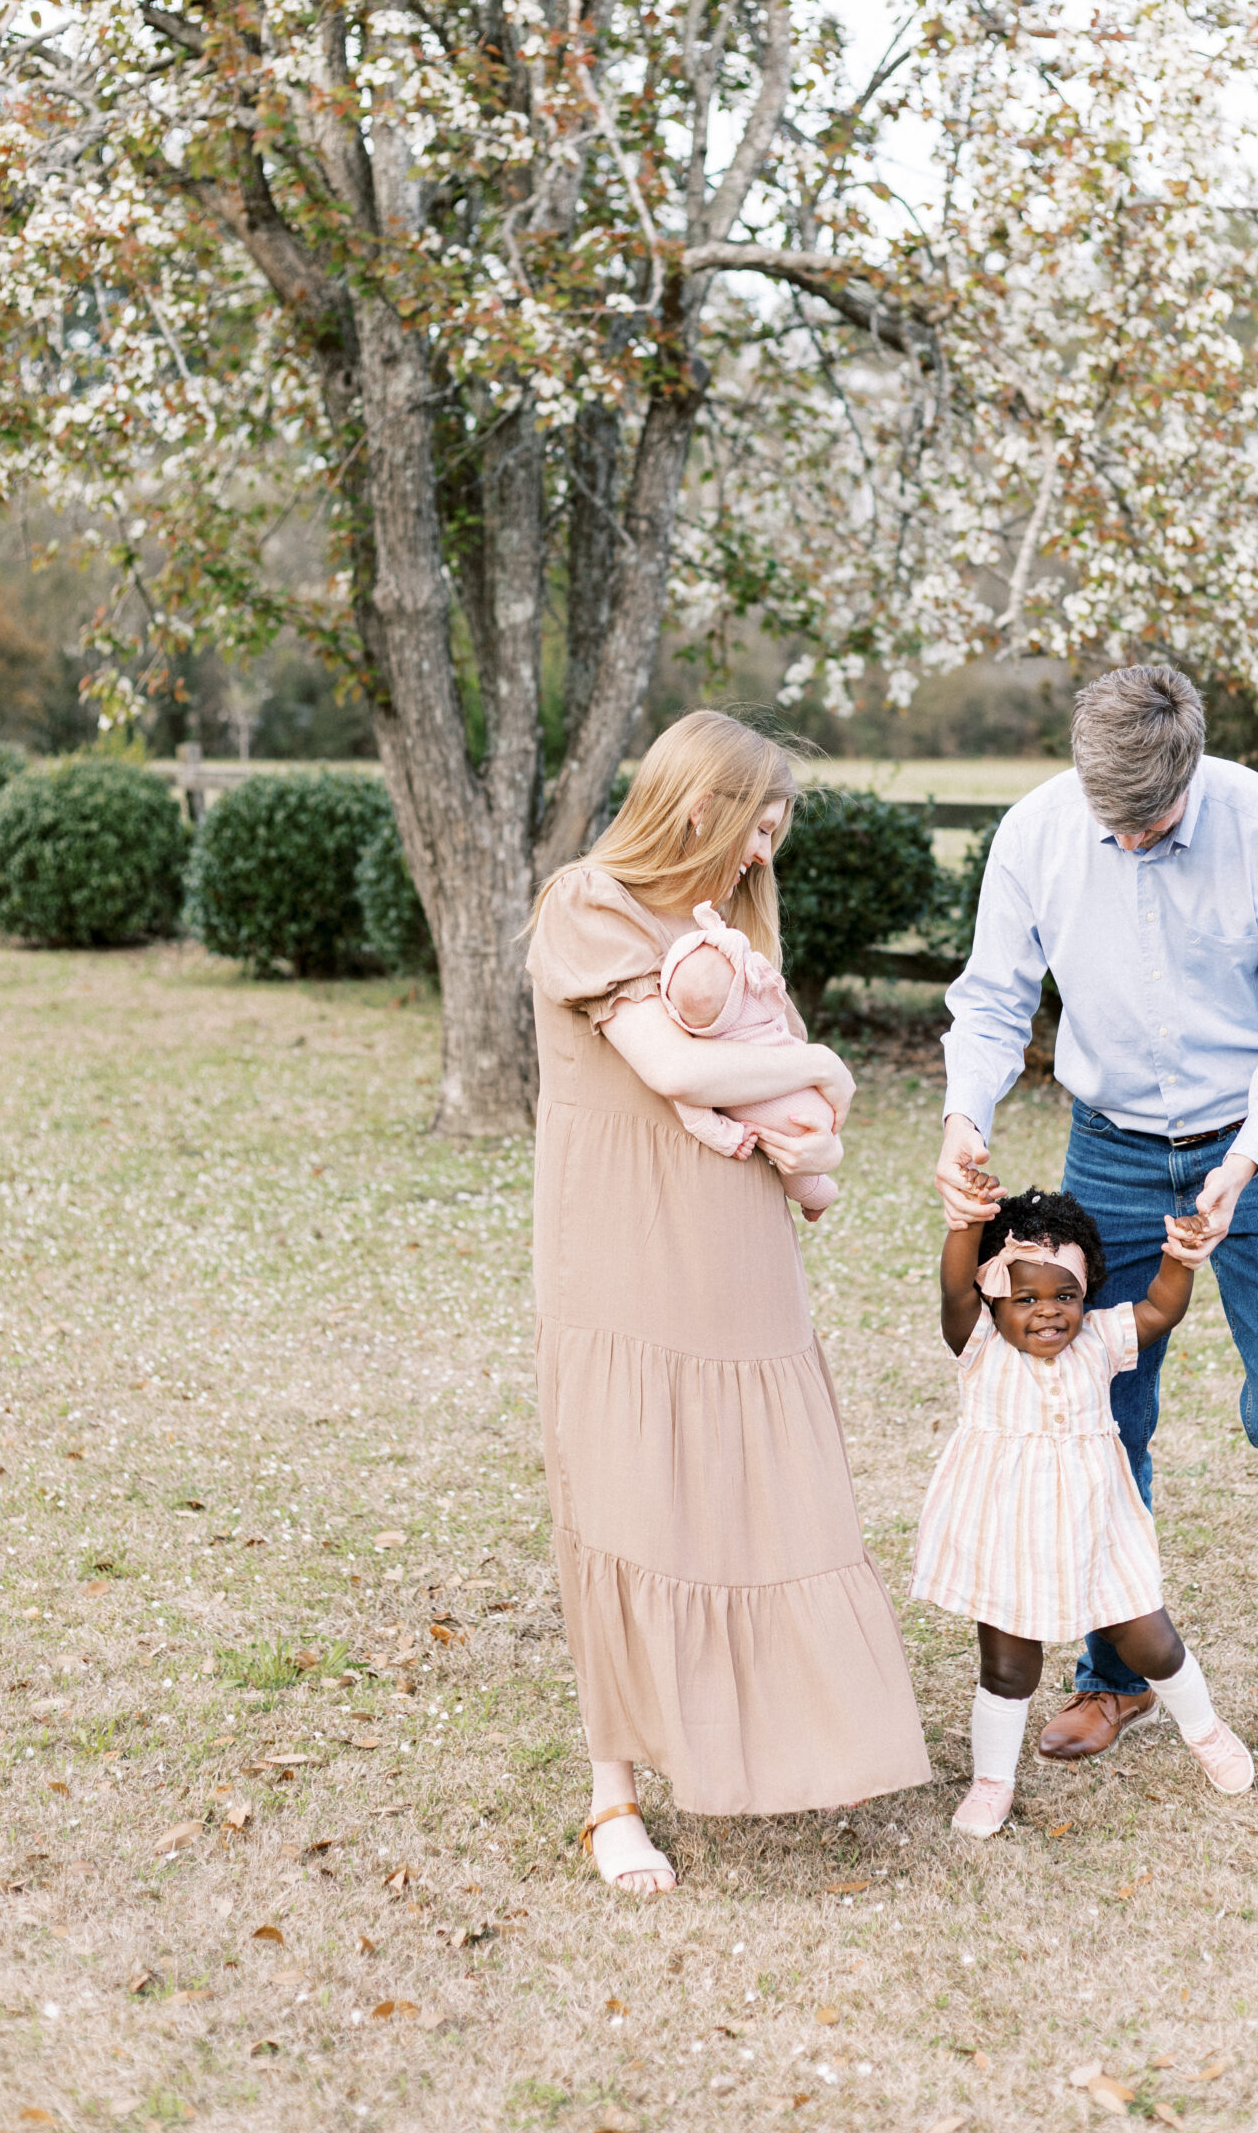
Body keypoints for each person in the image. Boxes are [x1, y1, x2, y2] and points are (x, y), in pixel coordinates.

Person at [936, 665, 1258, 1794]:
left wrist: (1244, 1159)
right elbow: (992, 997)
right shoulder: (1038, 832)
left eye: (1154, 824)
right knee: (1098, 1410)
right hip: (1114, 1149)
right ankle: (1111, 1673)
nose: (1129, 842)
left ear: (1193, 768)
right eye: (1110, 823)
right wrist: (960, 1117)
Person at [526, 710, 931, 1893]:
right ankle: (615, 1795)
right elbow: (680, 1068)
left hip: (739, 1240)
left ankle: (794, 1734)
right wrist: (822, 1069)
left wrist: (808, 1109)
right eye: (757, 827)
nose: (764, 855)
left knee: (767, 1492)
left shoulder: (731, 926)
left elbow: (774, 1090)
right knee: (627, 1497)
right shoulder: (586, 904)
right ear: (696, 805)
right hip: (622, 1243)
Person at [913, 1175, 1254, 1836]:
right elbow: (953, 1287)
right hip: (1004, 1534)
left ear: (1086, 1294)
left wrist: (1178, 1260)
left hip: (1092, 1529)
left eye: (1064, 1295)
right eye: (1026, 1297)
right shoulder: (979, 1345)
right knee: (1009, 1664)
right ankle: (992, 1781)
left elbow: (1160, 1311)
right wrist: (968, 1223)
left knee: (1149, 1641)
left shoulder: (1097, 1340)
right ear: (993, 1299)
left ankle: (1203, 1729)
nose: (1048, 1311)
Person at [658, 899, 839, 1217]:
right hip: (811, 1096)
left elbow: (693, 1111)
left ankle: (819, 1198)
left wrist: (728, 1137)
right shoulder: (751, 1001)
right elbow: (778, 1003)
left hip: (783, 1124)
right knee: (804, 1164)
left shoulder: (698, 1048)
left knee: (799, 1180)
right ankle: (820, 1193)